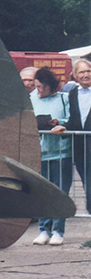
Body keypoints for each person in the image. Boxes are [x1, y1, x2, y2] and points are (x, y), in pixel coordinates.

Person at [29, 67, 72, 245]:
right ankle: (43, 229)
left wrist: (59, 123)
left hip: (61, 152)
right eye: (36, 87)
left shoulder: (64, 98)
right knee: (42, 192)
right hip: (40, 152)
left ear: (50, 86)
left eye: (42, 87)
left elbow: (70, 119)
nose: (38, 91)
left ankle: (58, 230)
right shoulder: (31, 98)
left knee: (59, 192)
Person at [67, 59, 91, 214]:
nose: (86, 75)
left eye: (88, 71)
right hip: (80, 149)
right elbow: (74, 120)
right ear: (75, 76)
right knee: (87, 187)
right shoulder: (73, 93)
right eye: (81, 72)